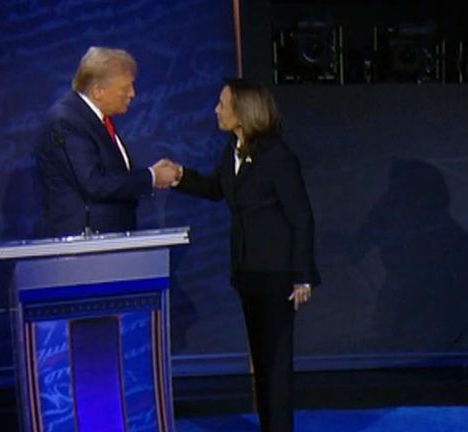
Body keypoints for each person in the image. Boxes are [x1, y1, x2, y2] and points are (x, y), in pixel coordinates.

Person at [166, 78, 320, 431]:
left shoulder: (276, 156)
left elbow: (301, 217)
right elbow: (216, 189)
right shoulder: (232, 150)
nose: (216, 110)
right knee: (262, 362)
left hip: (277, 275)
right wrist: (180, 176)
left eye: (222, 103)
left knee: (276, 364)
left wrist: (303, 275)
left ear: (243, 110)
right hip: (248, 273)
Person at [35, 46, 178, 237]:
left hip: (109, 240)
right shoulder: (67, 121)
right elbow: (94, 182)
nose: (132, 94)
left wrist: (150, 175)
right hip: (85, 246)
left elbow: (111, 174)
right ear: (98, 91)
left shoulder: (94, 120)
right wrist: (151, 177)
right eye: (125, 87)